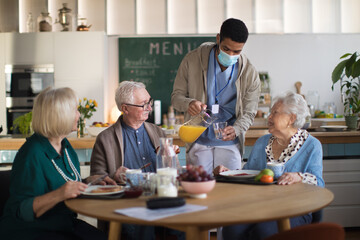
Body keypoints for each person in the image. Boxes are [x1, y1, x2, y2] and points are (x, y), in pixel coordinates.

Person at [0, 87, 115, 240]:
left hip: (62, 224)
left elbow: (62, 183)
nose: (79, 115)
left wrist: (89, 182)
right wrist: (60, 193)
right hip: (31, 230)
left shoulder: (65, 146)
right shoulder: (31, 153)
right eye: (75, 110)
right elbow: (23, 211)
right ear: (60, 115)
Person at [214, 91, 324, 240]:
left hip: (295, 208)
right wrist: (229, 173)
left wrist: (298, 176)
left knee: (264, 231)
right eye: (270, 113)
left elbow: (319, 183)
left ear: (291, 118)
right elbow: (247, 174)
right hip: (260, 205)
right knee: (232, 229)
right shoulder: (262, 142)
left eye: (275, 113)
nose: (269, 117)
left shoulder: (312, 145)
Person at [90, 81, 183, 240]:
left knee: (184, 225)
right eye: (143, 104)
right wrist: (114, 175)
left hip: (161, 198)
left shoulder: (158, 132)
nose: (149, 108)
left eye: (149, 102)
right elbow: (95, 179)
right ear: (125, 108)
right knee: (141, 229)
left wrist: (170, 159)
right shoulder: (105, 139)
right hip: (129, 204)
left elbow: (177, 174)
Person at [171, 18, 261, 175]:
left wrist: (237, 129)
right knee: (199, 189)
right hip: (199, 139)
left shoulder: (249, 73)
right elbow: (176, 97)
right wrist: (189, 103)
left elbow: (249, 112)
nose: (231, 55)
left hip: (230, 142)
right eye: (226, 49)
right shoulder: (192, 60)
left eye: (237, 51)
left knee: (230, 192)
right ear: (218, 38)